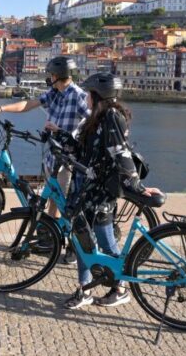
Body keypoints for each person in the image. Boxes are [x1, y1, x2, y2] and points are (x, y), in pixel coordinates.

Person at [61, 72, 163, 310]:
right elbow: (85, 153)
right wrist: (60, 136)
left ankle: (120, 289)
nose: (85, 97)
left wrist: (137, 187)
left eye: (88, 93)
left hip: (99, 195)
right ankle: (84, 290)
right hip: (85, 191)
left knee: (105, 242)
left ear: (97, 95)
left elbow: (121, 154)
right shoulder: (96, 118)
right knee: (82, 241)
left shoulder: (111, 117)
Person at [0, 56, 88, 218]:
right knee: (53, 200)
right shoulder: (55, 92)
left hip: (66, 160)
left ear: (57, 76)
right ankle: (49, 237)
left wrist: (66, 133)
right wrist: (1, 108)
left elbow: (93, 120)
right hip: (51, 156)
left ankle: (63, 238)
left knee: (62, 204)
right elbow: (29, 104)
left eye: (51, 75)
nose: (50, 78)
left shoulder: (78, 96)